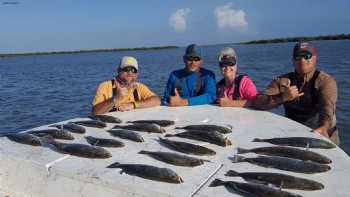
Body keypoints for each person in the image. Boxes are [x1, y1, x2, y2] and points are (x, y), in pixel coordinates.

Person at [253, 41, 339, 145]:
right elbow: (258, 102)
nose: (302, 60)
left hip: (322, 134)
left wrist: (324, 127)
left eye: (307, 56)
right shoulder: (282, 80)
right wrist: (282, 97)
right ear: (293, 60)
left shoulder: (326, 81)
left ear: (315, 58)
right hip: (294, 134)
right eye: (298, 57)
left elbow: (327, 108)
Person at [92, 56, 160, 114]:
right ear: (118, 70)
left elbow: (157, 101)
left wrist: (133, 105)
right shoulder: (105, 86)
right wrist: (115, 98)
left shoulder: (139, 87)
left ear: (137, 74)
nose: (130, 73)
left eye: (133, 70)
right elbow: (95, 112)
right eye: (126, 69)